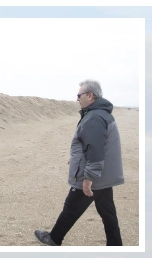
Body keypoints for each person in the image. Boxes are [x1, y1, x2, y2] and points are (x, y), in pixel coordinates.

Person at [35, 79, 125, 246]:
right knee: (108, 212)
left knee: (72, 206)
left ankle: (54, 238)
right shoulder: (100, 114)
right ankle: (115, 244)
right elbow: (91, 144)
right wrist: (76, 157)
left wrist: (89, 177)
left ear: (90, 95)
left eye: (79, 95)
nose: (77, 98)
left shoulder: (94, 117)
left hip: (95, 175)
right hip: (103, 175)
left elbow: (96, 148)